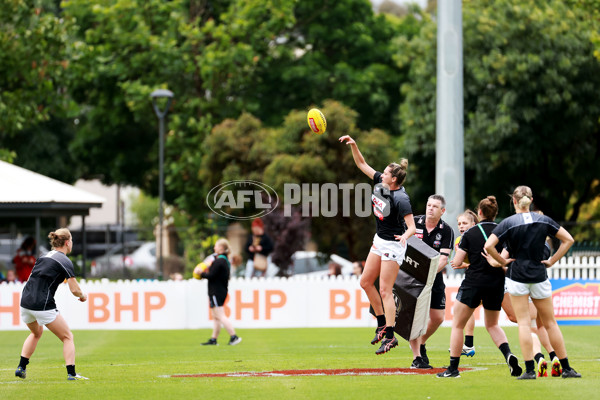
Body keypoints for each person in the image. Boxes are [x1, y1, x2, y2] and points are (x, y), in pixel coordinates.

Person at [484, 185, 581, 379]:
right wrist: (552, 260)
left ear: (514, 201)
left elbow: (488, 246)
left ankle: (529, 370)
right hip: (539, 275)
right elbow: (568, 240)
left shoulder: (508, 223)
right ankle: (567, 368)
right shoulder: (543, 220)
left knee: (524, 324)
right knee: (551, 323)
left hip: (517, 276)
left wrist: (503, 261)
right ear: (531, 199)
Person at [339, 135, 416, 355]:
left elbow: (411, 226)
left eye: (386, 173)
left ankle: (390, 337)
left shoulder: (401, 198)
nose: (381, 174)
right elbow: (362, 164)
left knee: (385, 290)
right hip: (380, 240)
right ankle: (382, 322)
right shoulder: (381, 184)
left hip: (393, 244)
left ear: (393, 180)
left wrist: (405, 237)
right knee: (365, 281)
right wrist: (354, 145)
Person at [437, 196, 522, 378]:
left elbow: (457, 261)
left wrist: (464, 261)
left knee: (458, 325)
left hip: (473, 282)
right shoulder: (503, 231)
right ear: (495, 213)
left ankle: (453, 369)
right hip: (496, 283)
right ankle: (508, 354)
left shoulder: (469, 234)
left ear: (479, 213)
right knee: (492, 325)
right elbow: (502, 260)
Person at [15, 228, 88, 381]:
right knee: (68, 337)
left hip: (25, 303)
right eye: (72, 241)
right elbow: (74, 289)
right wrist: (82, 296)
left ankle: (21, 367)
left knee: (36, 333)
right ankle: (72, 374)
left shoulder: (43, 256)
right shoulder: (64, 260)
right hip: (42, 304)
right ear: (67, 242)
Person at [409, 195, 454, 369]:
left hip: (433, 277)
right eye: (429, 205)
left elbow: (443, 259)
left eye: (435, 206)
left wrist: (426, 275)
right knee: (414, 318)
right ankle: (417, 357)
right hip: (411, 277)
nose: (430, 208)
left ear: (442, 211)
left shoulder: (446, 230)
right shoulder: (413, 222)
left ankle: (421, 342)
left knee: (437, 317)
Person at [200, 238, 242, 346]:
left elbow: (211, 275)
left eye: (216, 246)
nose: (214, 248)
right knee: (216, 316)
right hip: (220, 291)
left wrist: (201, 274)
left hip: (216, 291)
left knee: (220, 315)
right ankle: (214, 339)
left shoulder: (219, 261)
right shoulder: (224, 260)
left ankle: (234, 336)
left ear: (222, 248)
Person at [454, 209, 479, 357]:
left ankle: (533, 331)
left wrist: (463, 264)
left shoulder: (479, 238)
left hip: (486, 279)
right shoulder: (459, 241)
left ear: (473, 224)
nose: (461, 226)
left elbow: (481, 261)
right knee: (465, 309)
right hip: (475, 278)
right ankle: (468, 344)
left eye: (464, 223)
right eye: (459, 224)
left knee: (514, 316)